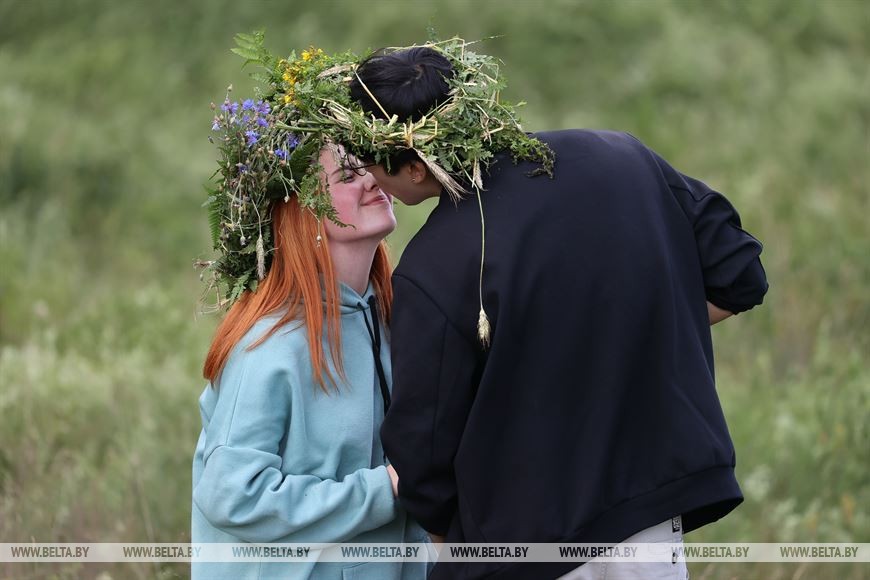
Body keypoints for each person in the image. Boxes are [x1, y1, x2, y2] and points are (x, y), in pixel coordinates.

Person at [337, 41, 769, 579]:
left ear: (416, 166)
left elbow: (423, 453)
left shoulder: (434, 269)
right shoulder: (621, 156)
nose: (371, 180)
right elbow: (739, 272)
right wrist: (629, 331)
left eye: (373, 165)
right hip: (650, 522)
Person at [191, 142, 430, 580]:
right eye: (348, 175)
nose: (374, 178)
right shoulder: (269, 346)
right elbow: (232, 495)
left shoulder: (392, 318)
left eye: (372, 164)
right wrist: (387, 489)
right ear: (302, 210)